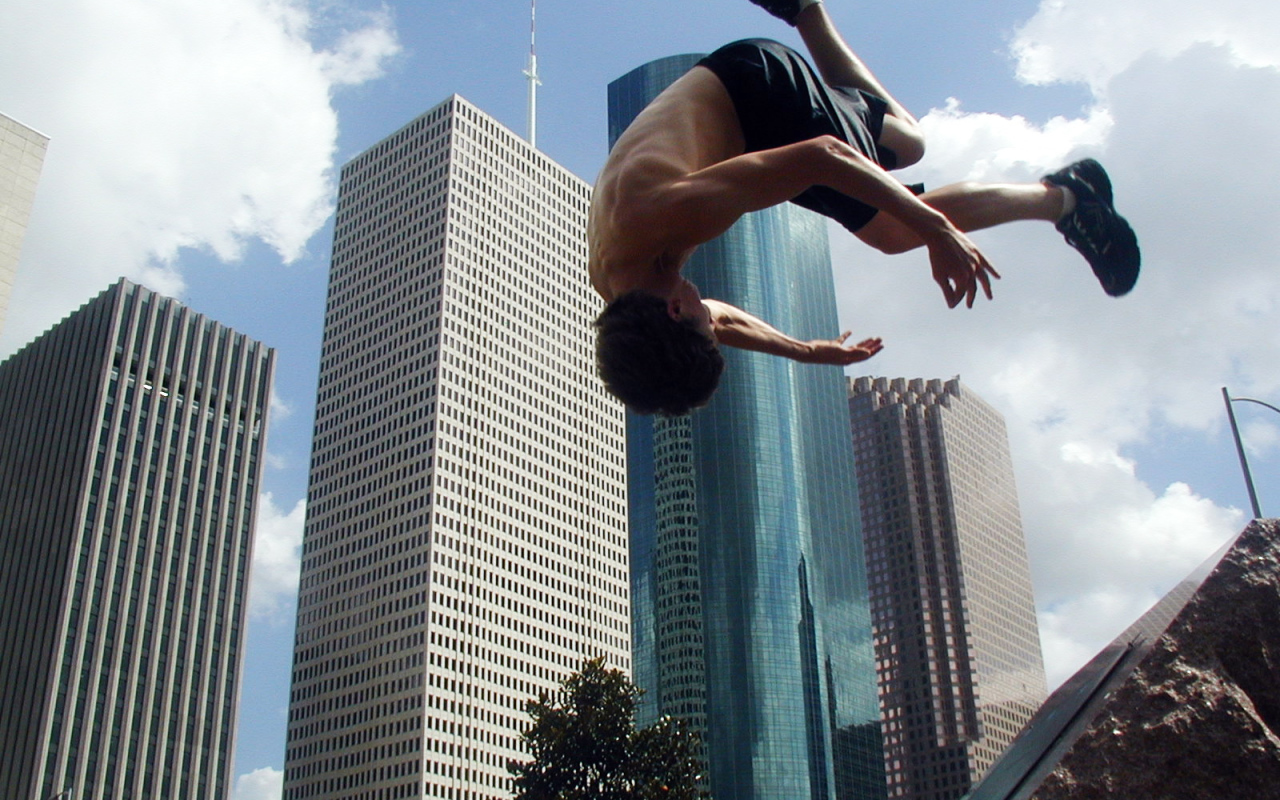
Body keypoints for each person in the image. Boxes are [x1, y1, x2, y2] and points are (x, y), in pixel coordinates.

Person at [588, 0, 1139, 416]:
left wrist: (939, 231)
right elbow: (721, 320)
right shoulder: (622, 283)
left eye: (702, 322)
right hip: (742, 118)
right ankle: (805, 10)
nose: (713, 314)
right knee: (908, 147)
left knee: (896, 230)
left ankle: (1066, 200)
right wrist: (806, 352)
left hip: (759, 94)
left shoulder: (661, 217)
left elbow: (826, 156)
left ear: (677, 313)